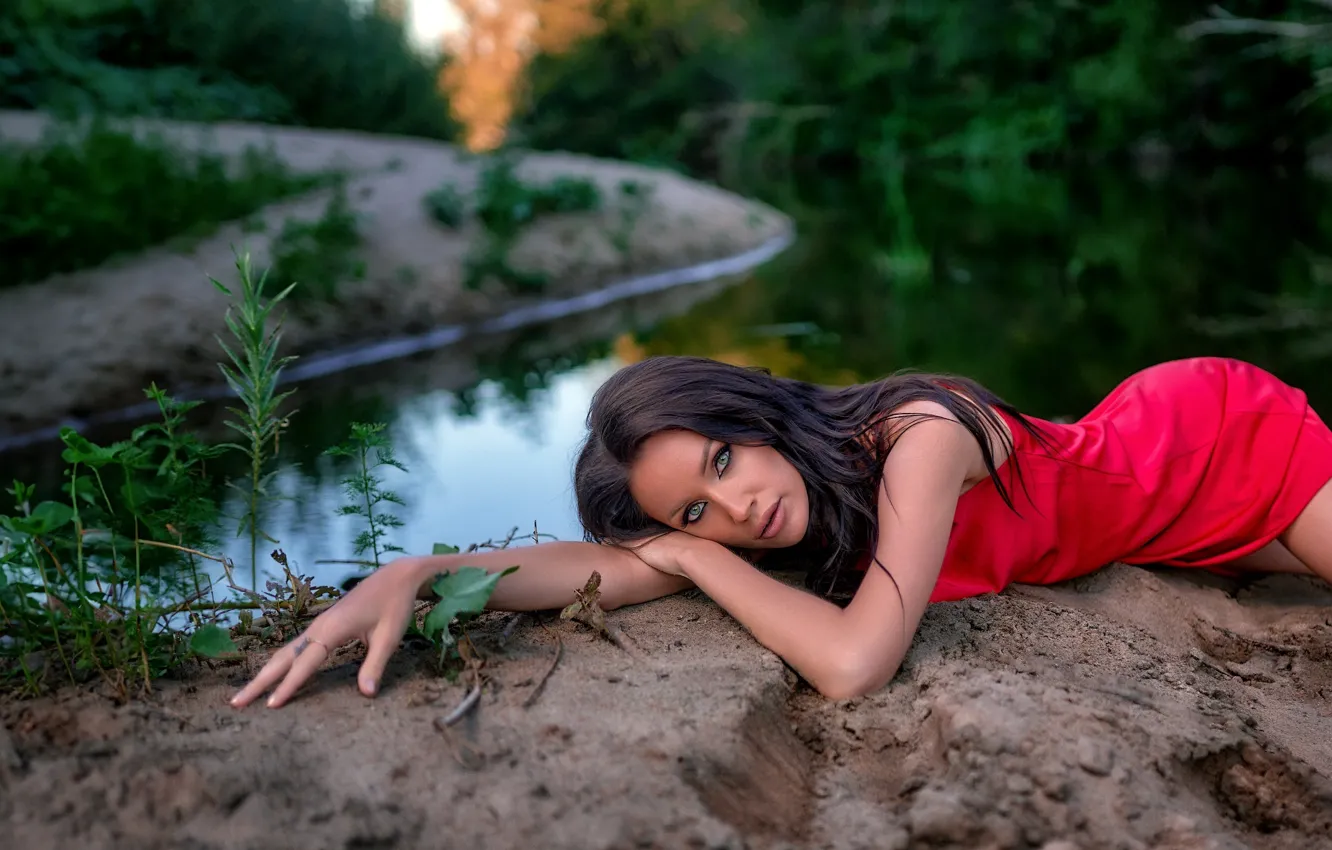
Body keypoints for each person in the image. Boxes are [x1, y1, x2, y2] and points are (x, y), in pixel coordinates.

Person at [229, 355, 1332, 709]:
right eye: (695, 510)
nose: (738, 507)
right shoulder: (786, 516)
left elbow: (853, 665)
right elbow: (609, 567)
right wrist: (422, 569)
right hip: (1176, 536)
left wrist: (697, 553)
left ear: (752, 419)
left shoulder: (917, 435)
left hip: (1216, 445)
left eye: (722, 460)